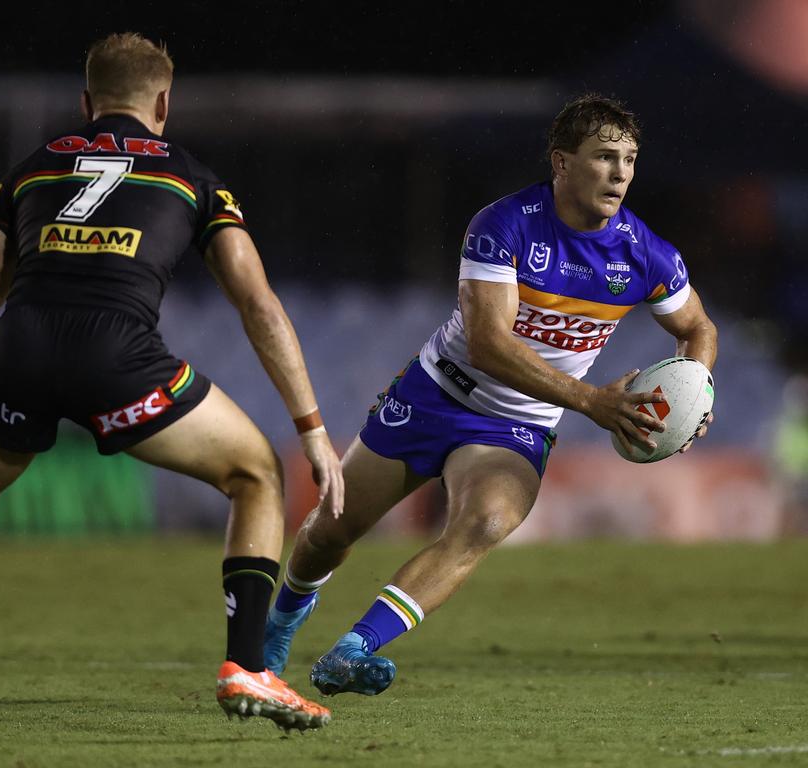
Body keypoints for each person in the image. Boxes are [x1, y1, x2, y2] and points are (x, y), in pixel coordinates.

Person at [0, 32, 343, 739]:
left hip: (18, 358)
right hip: (118, 360)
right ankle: (246, 665)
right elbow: (258, 304)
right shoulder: (190, 175)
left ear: (86, 103)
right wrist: (312, 429)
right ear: (163, 102)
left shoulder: (28, 173)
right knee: (255, 474)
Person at [262, 94, 718, 696]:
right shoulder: (505, 224)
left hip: (516, 426)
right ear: (561, 162)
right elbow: (487, 345)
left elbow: (698, 329)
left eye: (630, 159)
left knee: (485, 524)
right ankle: (274, 634)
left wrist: (695, 391)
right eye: (605, 156)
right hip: (436, 395)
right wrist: (590, 401)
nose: (621, 173)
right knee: (330, 532)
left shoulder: (644, 253)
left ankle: (354, 649)